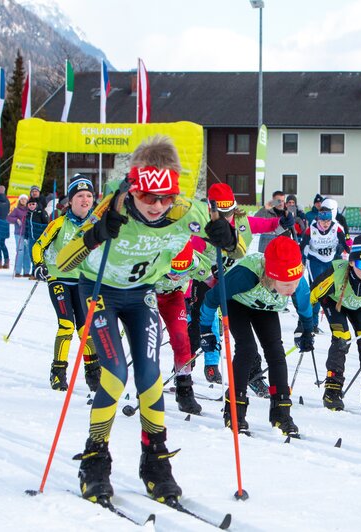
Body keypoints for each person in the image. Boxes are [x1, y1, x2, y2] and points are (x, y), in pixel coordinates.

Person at [56, 135, 237, 504]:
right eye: (148, 197)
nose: (157, 206)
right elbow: (62, 263)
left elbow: (239, 251)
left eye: (165, 197)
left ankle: (154, 459)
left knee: (150, 376)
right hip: (100, 289)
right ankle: (95, 458)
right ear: (134, 189)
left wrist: (229, 238)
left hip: (142, 295)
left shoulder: (189, 212)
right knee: (115, 373)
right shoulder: (112, 206)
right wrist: (94, 235)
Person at [199, 236, 313, 436]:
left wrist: (306, 329)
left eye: (295, 283)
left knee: (276, 352)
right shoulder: (245, 275)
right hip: (238, 303)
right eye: (286, 285)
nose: (292, 290)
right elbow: (211, 299)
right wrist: (206, 329)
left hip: (265, 308)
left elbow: (304, 307)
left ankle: (281, 412)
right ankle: (235, 410)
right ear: (271, 275)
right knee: (247, 350)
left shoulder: (296, 283)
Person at [187, 182, 291, 389]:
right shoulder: (201, 227)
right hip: (207, 279)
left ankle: (253, 375)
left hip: (236, 283)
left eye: (230, 212)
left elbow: (270, 226)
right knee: (200, 325)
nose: (227, 218)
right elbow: (189, 256)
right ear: (211, 209)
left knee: (245, 338)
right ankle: (185, 373)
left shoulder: (242, 220)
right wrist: (200, 281)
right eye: (222, 213)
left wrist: (284, 221)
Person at [31, 177, 100, 393]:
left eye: (89, 195)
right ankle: (58, 372)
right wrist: (39, 265)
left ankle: (93, 373)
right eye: (79, 196)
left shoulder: (97, 224)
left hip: (83, 282)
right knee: (66, 325)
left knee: (86, 329)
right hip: (59, 279)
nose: (85, 200)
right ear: (70, 201)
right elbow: (38, 246)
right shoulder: (59, 223)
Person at [311, 234, 361, 412]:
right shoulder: (336, 274)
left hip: (358, 305)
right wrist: (305, 325)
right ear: (352, 262)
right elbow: (311, 295)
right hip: (334, 302)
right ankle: (332, 389)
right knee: (342, 337)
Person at [154, 240, 212, 414]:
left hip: (173, 297)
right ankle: (148, 383)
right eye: (172, 271)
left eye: (181, 272)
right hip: (148, 293)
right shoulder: (154, 258)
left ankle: (184, 388)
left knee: (181, 338)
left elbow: (211, 280)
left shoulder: (196, 263)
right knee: (153, 335)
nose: (176, 276)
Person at [300, 198, 350, 331]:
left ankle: (336, 322)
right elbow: (303, 245)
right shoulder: (312, 228)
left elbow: (346, 243)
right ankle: (311, 323)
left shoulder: (337, 227)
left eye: (328, 220)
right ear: (318, 219)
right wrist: (302, 260)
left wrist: (347, 248)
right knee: (316, 289)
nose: (326, 223)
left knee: (331, 290)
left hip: (330, 260)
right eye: (323, 221)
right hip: (315, 260)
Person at [23, 196, 50, 277]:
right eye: (30, 204)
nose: (31, 206)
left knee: (39, 255)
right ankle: (34, 271)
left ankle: (40, 272)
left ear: (36, 204)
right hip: (31, 238)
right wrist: (25, 237)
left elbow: (46, 225)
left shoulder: (41, 212)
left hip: (40, 239)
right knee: (32, 255)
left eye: (33, 204)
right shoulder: (28, 214)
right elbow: (27, 226)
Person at [8, 194, 30, 278]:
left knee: (27, 252)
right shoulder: (16, 210)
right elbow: (9, 218)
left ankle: (27, 271)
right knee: (20, 251)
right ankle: (18, 271)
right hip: (19, 233)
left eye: (25, 199)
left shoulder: (29, 209)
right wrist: (16, 220)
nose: (23, 201)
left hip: (27, 233)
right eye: (22, 199)